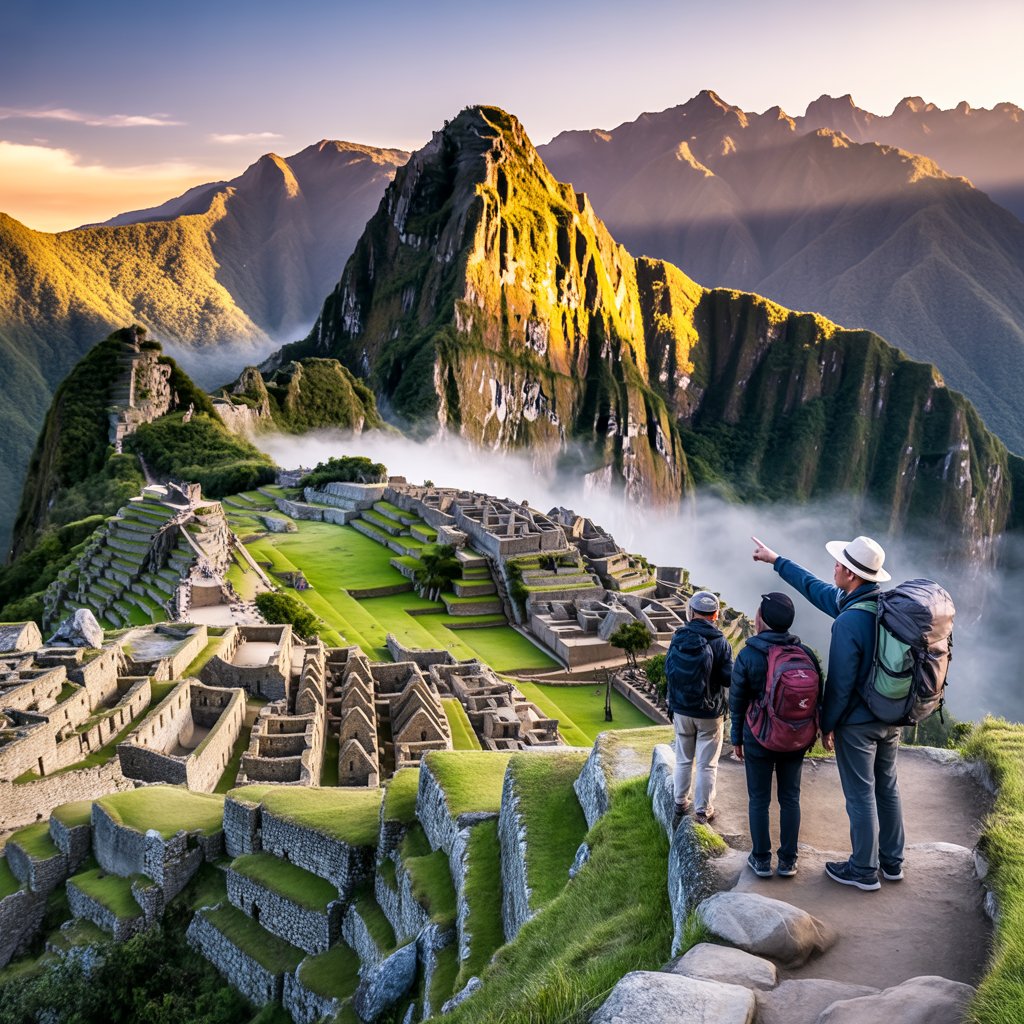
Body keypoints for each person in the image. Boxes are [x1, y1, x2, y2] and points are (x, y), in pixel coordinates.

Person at [751, 534, 904, 891]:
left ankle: (863, 869)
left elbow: (840, 684)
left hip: (860, 724)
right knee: (888, 787)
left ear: (851, 575)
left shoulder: (850, 620)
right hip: (892, 717)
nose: (833, 567)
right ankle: (892, 863)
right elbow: (814, 587)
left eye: (839, 564)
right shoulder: (880, 606)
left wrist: (827, 725)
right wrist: (777, 560)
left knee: (861, 793)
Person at [730, 592, 822, 878]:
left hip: (758, 736)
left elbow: (737, 701)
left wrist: (737, 737)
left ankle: (760, 859)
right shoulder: (805, 654)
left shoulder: (748, 655)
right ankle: (788, 861)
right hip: (795, 739)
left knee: (759, 799)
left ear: (762, 620)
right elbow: (818, 698)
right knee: (790, 797)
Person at [666, 590, 734, 828]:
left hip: (682, 709)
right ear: (715, 615)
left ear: (691, 612)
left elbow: (670, 672)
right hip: (709, 712)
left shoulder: (679, 637)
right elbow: (728, 679)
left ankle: (679, 802)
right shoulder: (720, 642)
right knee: (707, 764)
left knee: (684, 759)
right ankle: (703, 810)